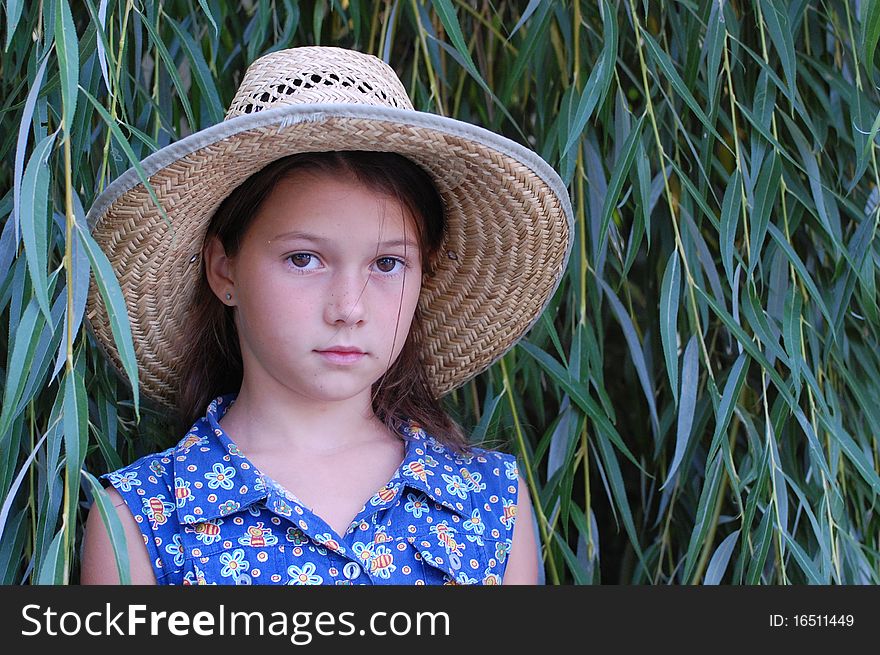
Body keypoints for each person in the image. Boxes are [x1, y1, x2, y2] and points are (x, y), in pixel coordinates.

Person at [80, 46, 572, 585]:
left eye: (387, 263)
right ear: (224, 271)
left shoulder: (490, 504)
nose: (349, 308)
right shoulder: (140, 521)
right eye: (303, 259)